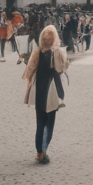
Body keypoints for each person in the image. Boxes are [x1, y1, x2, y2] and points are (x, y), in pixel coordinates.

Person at [22, 25, 69, 164]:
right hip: (51, 91)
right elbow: (63, 68)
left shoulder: (37, 52)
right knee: (49, 123)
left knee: (40, 122)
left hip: (39, 90)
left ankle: (39, 152)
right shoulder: (57, 52)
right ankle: (43, 151)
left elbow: (29, 69)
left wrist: (28, 82)